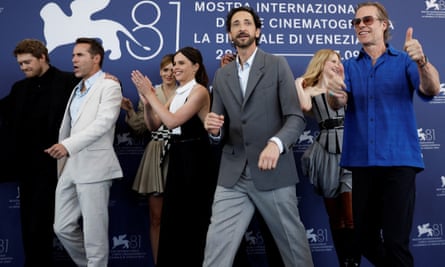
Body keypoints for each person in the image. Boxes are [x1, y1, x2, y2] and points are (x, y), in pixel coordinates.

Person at [327, 2, 440, 266]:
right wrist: (334, 92)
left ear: (383, 24)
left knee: (396, 242)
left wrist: (422, 62)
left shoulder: (404, 61)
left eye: (367, 20)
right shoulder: (348, 66)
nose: (361, 26)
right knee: (364, 240)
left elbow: (432, 88)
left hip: (399, 163)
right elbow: (338, 101)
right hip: (362, 163)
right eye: (356, 22)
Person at [203, 6, 314, 267]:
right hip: (232, 175)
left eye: (247, 23)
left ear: (257, 30)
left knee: (294, 250)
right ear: (230, 34)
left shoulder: (276, 64)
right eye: (236, 24)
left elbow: (295, 118)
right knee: (215, 251)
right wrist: (214, 130)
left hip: (272, 172)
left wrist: (276, 144)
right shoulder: (222, 75)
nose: (242, 27)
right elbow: (218, 127)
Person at [131, 46, 217, 267]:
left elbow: (172, 121)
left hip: (196, 159)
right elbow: (154, 124)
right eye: (175, 63)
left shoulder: (199, 91)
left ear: (195, 67)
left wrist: (151, 95)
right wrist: (149, 102)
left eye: (181, 64)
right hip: (178, 157)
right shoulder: (178, 92)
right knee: (175, 218)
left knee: (194, 219)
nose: (176, 68)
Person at [45, 37, 123, 267]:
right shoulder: (77, 88)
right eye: (73, 55)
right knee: (62, 227)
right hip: (71, 166)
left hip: (95, 166)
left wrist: (67, 146)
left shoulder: (109, 86)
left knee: (95, 233)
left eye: (79, 55)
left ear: (96, 58)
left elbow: (103, 123)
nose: (73, 60)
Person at [0, 38, 78, 267]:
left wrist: (108, 79)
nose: (23, 68)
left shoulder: (68, 81)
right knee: (30, 222)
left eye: (27, 62)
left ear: (42, 57)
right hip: (27, 167)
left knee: (59, 223)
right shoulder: (20, 88)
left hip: (59, 164)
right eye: (20, 64)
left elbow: (94, 94)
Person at [295, 49, 361, 267]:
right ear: (321, 63)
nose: (336, 64)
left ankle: (354, 261)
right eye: (332, 60)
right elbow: (304, 106)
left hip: (351, 150)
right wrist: (298, 83)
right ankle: (344, 262)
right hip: (325, 153)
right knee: (336, 219)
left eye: (338, 61)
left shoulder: (346, 85)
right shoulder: (311, 89)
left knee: (352, 217)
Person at [121, 54, 176, 265]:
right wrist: (130, 111)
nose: (169, 74)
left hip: (180, 152)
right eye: (165, 70)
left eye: (173, 69)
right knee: (156, 217)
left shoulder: (189, 91)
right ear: (160, 72)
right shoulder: (151, 92)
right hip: (156, 154)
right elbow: (139, 128)